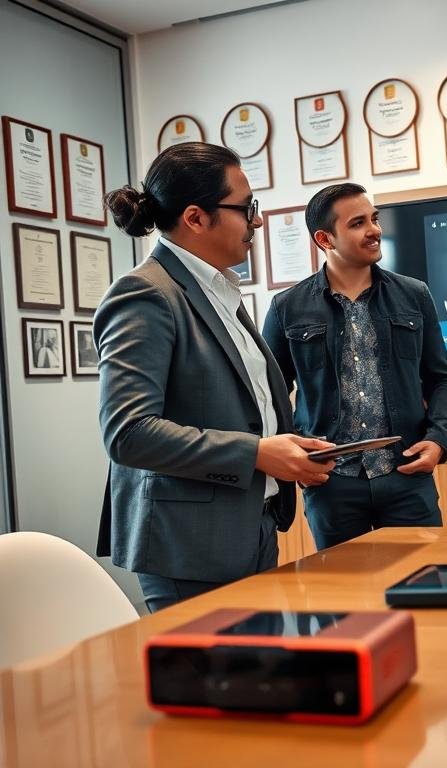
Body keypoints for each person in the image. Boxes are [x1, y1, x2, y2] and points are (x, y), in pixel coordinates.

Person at [95, 142, 334, 612]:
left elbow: (240, 407)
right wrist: (258, 453)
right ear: (196, 218)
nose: (258, 221)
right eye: (247, 209)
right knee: (213, 684)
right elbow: (129, 433)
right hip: (190, 549)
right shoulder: (145, 295)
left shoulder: (219, 290)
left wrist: (286, 445)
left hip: (251, 527)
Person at [263, 182, 447, 550]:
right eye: (357, 223)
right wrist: (296, 458)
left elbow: (442, 380)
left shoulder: (415, 295)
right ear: (325, 238)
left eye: (375, 219)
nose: (374, 231)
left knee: (428, 585)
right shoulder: (287, 307)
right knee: (344, 601)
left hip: (406, 474)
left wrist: (438, 441)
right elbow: (267, 394)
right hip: (331, 484)